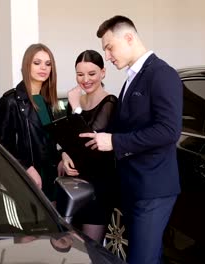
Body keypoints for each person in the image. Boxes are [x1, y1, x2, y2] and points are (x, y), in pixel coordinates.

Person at [79, 16, 183, 264]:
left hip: (153, 187)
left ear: (129, 38)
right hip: (133, 186)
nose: (107, 55)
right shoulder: (132, 77)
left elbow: (169, 131)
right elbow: (123, 127)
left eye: (109, 47)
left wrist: (115, 142)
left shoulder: (162, 74)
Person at [59, 50, 117, 244]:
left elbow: (89, 141)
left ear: (103, 73)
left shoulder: (110, 102)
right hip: (74, 184)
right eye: (80, 74)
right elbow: (68, 140)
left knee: (91, 248)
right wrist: (64, 155)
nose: (85, 80)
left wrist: (76, 108)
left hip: (98, 186)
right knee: (71, 247)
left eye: (91, 74)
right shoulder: (77, 101)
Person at [0, 43, 60, 202]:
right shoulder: (10, 101)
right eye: (37, 63)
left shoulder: (48, 102)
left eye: (48, 64)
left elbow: (48, 143)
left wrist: (61, 159)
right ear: (26, 65)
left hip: (50, 179)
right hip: (25, 180)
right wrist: (26, 167)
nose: (43, 67)